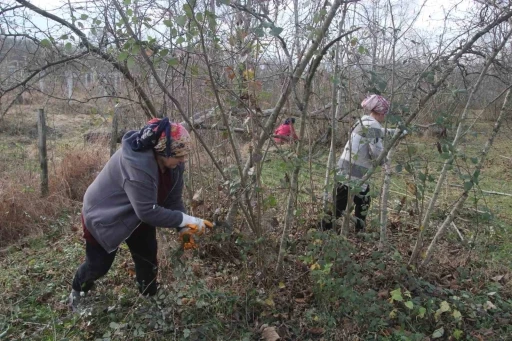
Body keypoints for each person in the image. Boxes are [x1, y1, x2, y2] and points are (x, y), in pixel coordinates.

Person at [69, 117, 212, 310]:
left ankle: (149, 297)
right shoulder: (138, 165)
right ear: (164, 150)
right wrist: (187, 220)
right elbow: (147, 212)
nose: (183, 160)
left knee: (147, 256)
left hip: (138, 213)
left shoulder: (174, 165)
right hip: (104, 215)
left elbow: (173, 200)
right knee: (99, 265)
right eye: (179, 155)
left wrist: (184, 228)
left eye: (184, 155)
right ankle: (78, 290)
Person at [321, 94, 404, 232]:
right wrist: (385, 164)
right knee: (341, 205)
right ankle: (325, 229)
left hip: (346, 168)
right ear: (381, 112)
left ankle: (356, 230)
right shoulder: (373, 125)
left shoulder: (364, 121)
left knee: (360, 201)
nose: (385, 116)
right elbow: (376, 151)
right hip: (354, 171)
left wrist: (395, 132)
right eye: (384, 113)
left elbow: (378, 133)